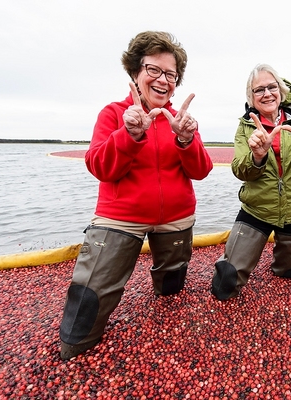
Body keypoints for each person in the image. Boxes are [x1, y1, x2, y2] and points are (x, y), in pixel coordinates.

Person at [59, 31, 213, 360]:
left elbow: (201, 171)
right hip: (119, 218)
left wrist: (186, 139)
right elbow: (100, 167)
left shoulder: (181, 120)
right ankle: (75, 346)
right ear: (134, 72)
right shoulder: (113, 113)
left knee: (171, 288)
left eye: (170, 74)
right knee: (87, 305)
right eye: (153, 70)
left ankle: (166, 306)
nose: (163, 80)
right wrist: (129, 133)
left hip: (176, 217)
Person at [211, 64, 291, 301]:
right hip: (256, 209)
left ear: (281, 91)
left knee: (286, 275)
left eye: (271, 87)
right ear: (251, 97)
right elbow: (240, 171)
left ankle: (282, 260)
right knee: (225, 285)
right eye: (259, 90)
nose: (267, 93)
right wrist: (257, 156)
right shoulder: (245, 126)